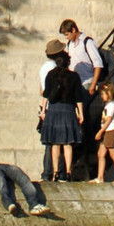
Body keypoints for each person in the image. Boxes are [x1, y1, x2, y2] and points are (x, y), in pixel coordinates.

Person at [41, 53, 84, 183]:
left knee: (55, 143)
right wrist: (81, 113)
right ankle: (68, 172)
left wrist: (43, 110)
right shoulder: (74, 76)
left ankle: (55, 173)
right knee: (67, 143)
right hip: (68, 110)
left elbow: (46, 94)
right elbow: (78, 97)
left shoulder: (51, 75)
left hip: (54, 109)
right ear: (68, 63)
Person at [96, 82, 114, 183]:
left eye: (103, 94)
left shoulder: (111, 106)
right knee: (101, 153)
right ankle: (100, 177)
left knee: (113, 154)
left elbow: (108, 120)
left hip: (110, 131)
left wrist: (100, 131)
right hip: (107, 132)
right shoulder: (108, 105)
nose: (101, 96)